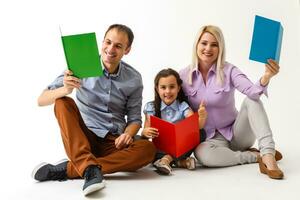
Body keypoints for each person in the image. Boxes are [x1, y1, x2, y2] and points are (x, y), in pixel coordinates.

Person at [31, 24, 156, 195]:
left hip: (114, 142)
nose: (110, 49)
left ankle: (74, 168)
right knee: (62, 102)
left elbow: (135, 119)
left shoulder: (134, 78)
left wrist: (127, 134)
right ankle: (88, 166)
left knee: (147, 150)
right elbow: (41, 99)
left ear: (127, 50)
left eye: (118, 46)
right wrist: (65, 90)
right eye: (108, 42)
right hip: (84, 138)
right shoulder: (80, 65)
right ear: (102, 42)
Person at [179, 25, 284, 179]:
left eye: (214, 45)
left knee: (252, 100)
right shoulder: (183, 76)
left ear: (220, 48)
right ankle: (254, 157)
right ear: (197, 45)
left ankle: (268, 153)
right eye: (204, 43)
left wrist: (266, 76)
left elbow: (253, 92)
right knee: (202, 155)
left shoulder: (229, 70)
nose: (208, 48)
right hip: (209, 140)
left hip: (237, 133)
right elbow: (174, 106)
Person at [141, 68, 207, 175]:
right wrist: (145, 132)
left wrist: (202, 117)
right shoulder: (151, 107)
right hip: (160, 149)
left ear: (178, 88)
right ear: (157, 89)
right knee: (143, 146)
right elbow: (145, 132)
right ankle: (180, 162)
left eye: (172, 87)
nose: (168, 91)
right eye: (163, 87)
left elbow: (196, 127)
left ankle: (166, 160)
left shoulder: (183, 107)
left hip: (180, 148)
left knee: (201, 133)